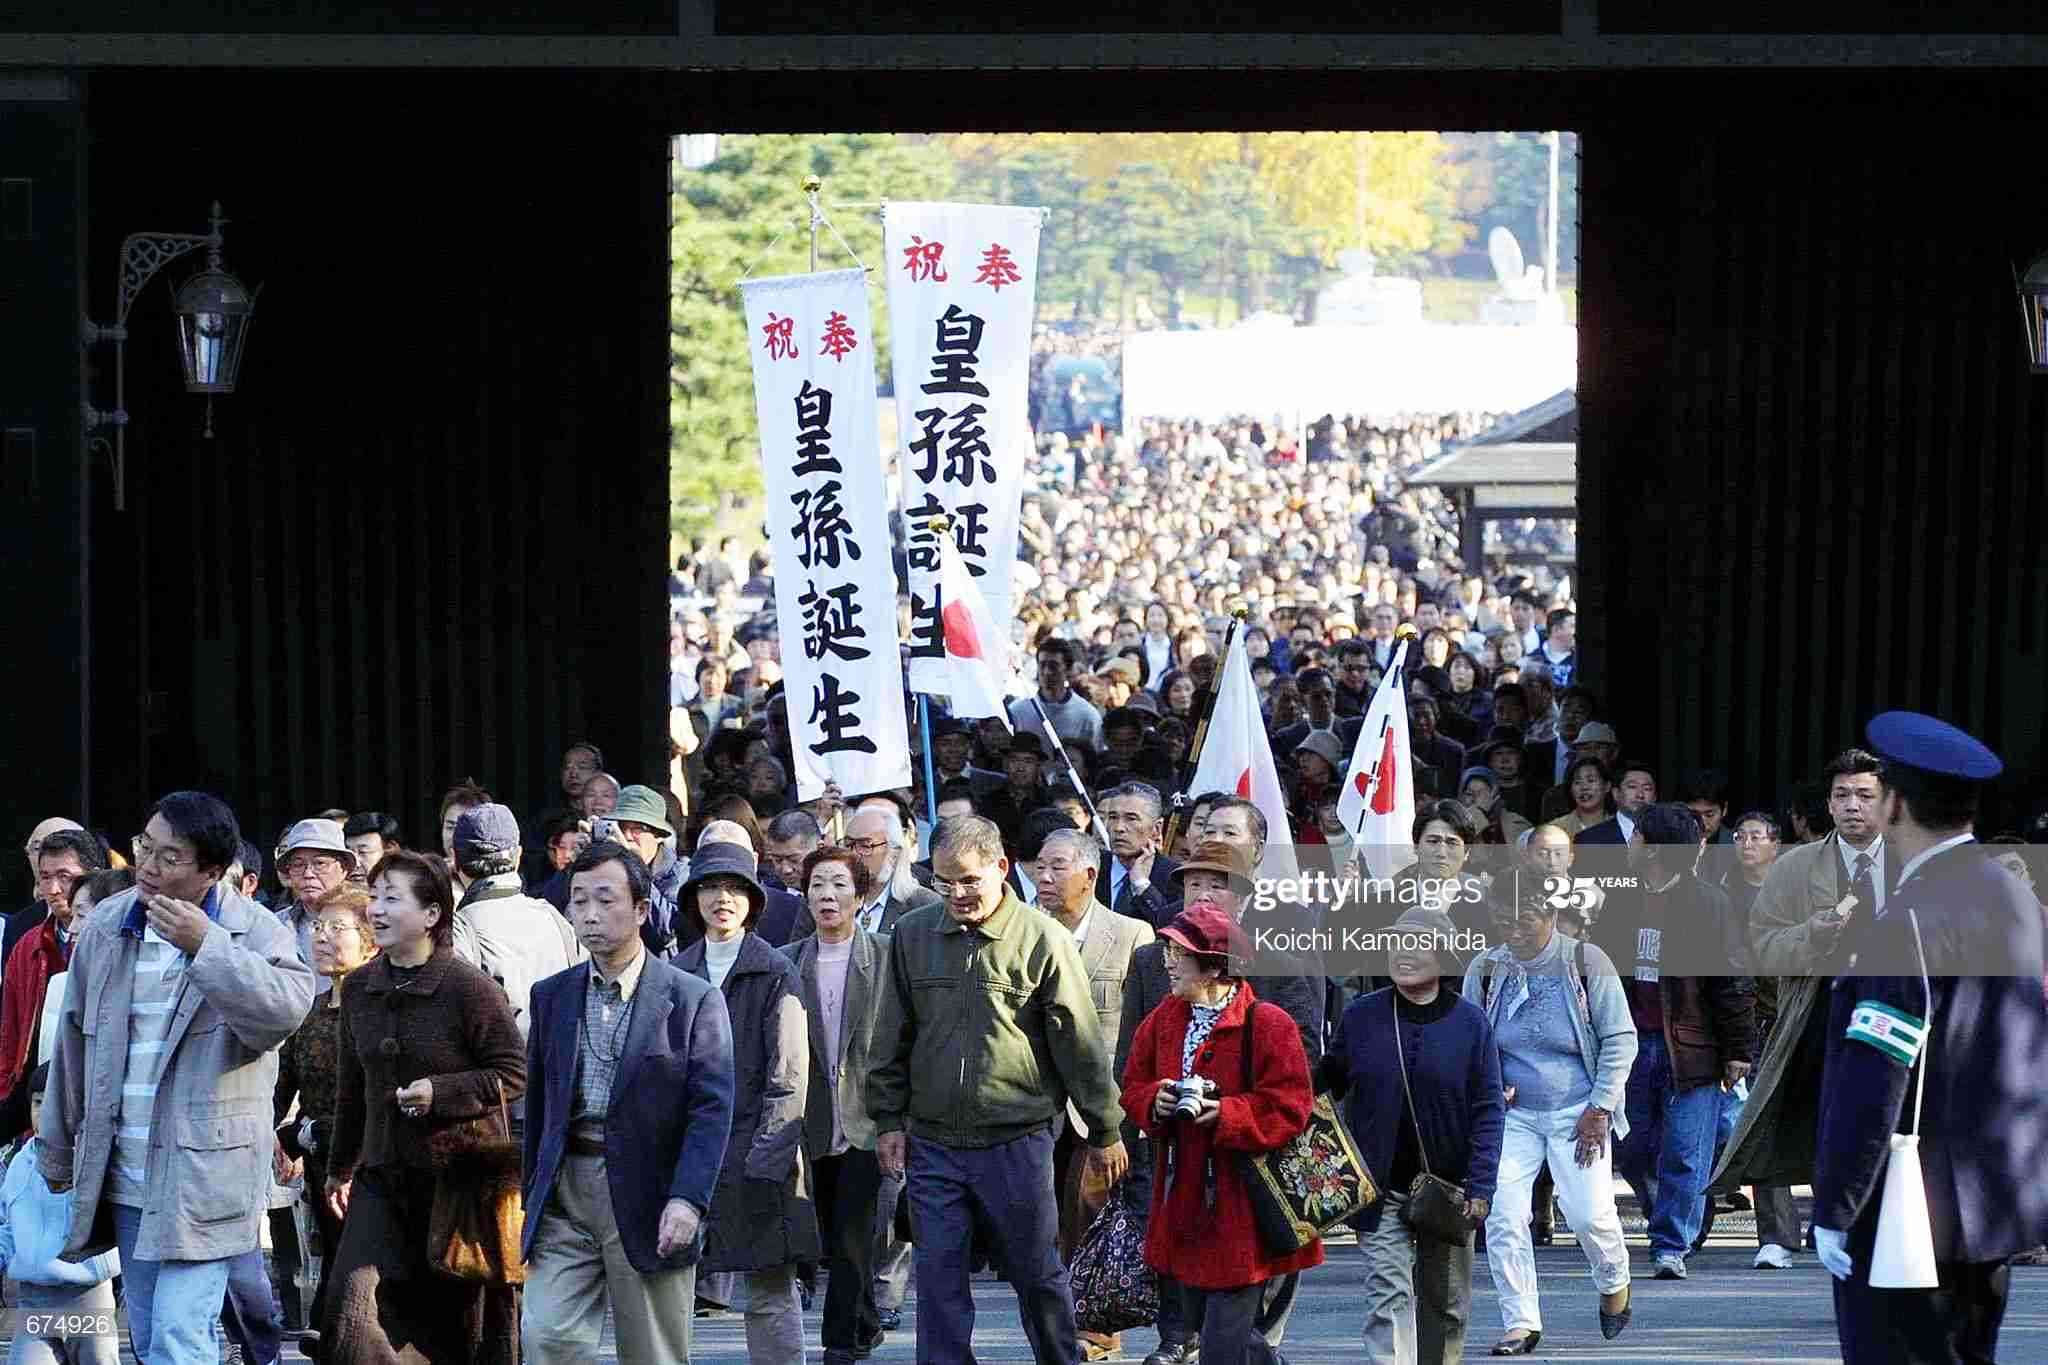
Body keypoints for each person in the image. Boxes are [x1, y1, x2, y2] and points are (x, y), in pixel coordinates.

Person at [39, 792, 315, 1365]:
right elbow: (72, 1043)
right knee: (147, 1333)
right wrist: (58, 1149)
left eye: (171, 857)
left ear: (213, 871)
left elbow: (284, 1011)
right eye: (146, 847)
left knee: (176, 1338)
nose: (149, 867)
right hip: (124, 1168)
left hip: (205, 1173)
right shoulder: (110, 924)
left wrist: (206, 947)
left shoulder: (253, 931)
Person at [1813, 712, 2048, 1363]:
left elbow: (1877, 1074)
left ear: (1895, 803)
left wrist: (1835, 1203)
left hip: (1908, 1213)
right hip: (1995, 1202)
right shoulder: (2016, 897)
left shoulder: (1910, 918)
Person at [867, 815, 1127, 1365]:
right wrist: (888, 1120)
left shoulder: (1042, 937)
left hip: (1018, 1140)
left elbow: (1080, 1045)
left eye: (969, 880)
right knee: (938, 1282)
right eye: (945, 882)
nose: (958, 894)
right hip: (934, 1143)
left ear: (1001, 869)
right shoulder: (912, 935)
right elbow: (890, 1033)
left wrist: (1105, 1128)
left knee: (1037, 1275)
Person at [522, 841, 738, 1365]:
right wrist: (528, 1192)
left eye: (605, 899)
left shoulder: (691, 998)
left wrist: (689, 1198)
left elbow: (711, 1110)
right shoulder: (551, 995)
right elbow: (536, 1104)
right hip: (566, 1190)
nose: (589, 915)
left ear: (642, 909)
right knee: (547, 1337)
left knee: (653, 1352)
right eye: (578, 901)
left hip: (651, 1191)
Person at [323, 849, 526, 1364]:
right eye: (373, 896)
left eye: (392, 898)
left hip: (458, 1185)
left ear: (433, 914)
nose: (377, 909)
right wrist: (339, 1168)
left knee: (458, 1328)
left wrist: (442, 1092)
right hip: (382, 1178)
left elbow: (513, 1073)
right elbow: (353, 1088)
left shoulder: (468, 989)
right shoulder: (361, 989)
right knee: (352, 1313)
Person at [1120, 904, 1322, 1365]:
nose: (1167, 961)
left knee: (1221, 1345)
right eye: (1168, 949)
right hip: (1185, 1201)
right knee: (1220, 1330)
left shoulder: (1268, 1023)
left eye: (1179, 953)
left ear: (1214, 966)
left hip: (1245, 1204)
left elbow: (1291, 1106)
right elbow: (1131, 1085)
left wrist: (1226, 1113)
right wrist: (1156, 1100)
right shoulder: (1163, 1021)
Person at [1714, 747, 1889, 1269]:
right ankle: (1775, 1234)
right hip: (1813, 1007)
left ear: (1887, 802)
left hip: (1889, 1012)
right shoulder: (1794, 867)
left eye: (1865, 795)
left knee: (1880, 1121)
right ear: (1828, 805)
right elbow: (1763, 946)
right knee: (1785, 1110)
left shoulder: (1909, 864)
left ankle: (1864, 1224)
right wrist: (1811, 934)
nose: (1853, 805)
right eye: (1842, 796)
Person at [1464, 876, 1638, 1354]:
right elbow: (1472, 1041)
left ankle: (1614, 1279)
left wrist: (1600, 1107)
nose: (1513, 929)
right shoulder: (1485, 967)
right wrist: (1490, 1086)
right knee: (1503, 1214)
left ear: (1550, 914)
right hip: (1513, 1115)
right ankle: (1520, 1320)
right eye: (1503, 919)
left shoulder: (1585, 961)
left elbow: (1621, 1039)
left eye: (1524, 919)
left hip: (1579, 1111)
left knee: (1588, 1214)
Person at [1323, 907, 1502, 1365]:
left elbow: (1488, 1110)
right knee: (1389, 1293)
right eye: (1398, 943)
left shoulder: (1470, 1023)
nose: (1404, 953)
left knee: (1445, 1308)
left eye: (1418, 944)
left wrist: (1481, 1187)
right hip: (1379, 1188)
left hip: (1449, 1191)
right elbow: (1323, 1083)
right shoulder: (1362, 1016)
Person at [675, 841, 819, 1365]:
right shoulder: (676, 970)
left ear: (753, 901)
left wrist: (767, 1157)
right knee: (671, 1289)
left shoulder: (775, 970)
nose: (723, 898)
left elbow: (790, 1073)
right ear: (695, 898)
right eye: (711, 887)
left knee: (769, 1289)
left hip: (760, 1149)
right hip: (691, 1150)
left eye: (735, 888)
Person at [1604, 803, 1757, 1281]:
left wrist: (1738, 1050)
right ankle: (1667, 1218)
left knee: (1687, 1151)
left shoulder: (1709, 902)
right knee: (1631, 1146)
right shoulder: (1621, 897)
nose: (1628, 844)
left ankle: (1671, 1243)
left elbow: (1732, 978)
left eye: (1636, 838)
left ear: (1654, 850)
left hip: (1694, 1045)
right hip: (1629, 1043)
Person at [784, 845, 892, 1365]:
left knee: (853, 1231)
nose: (828, 895)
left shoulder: (887, 956)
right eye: (818, 885)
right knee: (831, 1231)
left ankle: (839, 1343)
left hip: (866, 1116)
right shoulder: (787, 962)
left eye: (839, 885)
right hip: (810, 1116)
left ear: (860, 894)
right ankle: (865, 1322)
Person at [271, 882, 376, 1353]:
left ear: (370, 939)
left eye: (338, 927)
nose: (322, 936)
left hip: (367, 1168)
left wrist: (309, 1136)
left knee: (360, 1285)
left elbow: (375, 1098)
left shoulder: (375, 1006)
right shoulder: (314, 1007)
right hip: (321, 1169)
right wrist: (278, 1133)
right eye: (318, 926)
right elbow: (282, 1084)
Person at [0, 1063, 122, 1365]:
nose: (44, 1112)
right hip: (35, 1301)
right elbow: (7, 1226)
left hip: (89, 1298)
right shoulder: (18, 1165)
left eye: (54, 1102)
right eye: (37, 1103)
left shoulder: (96, 1162)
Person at [450, 804, 586, 1050]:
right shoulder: (553, 916)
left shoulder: (460, 928)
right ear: (517, 856)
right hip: (558, 1074)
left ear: (456, 860)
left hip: (499, 1080)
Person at [0, 828, 107, 1140]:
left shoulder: (113, 940)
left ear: (92, 876)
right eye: (45, 877)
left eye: (65, 876)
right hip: (33, 1087)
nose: (54, 888)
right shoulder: (27, 943)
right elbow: (10, 1031)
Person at [273, 818, 357, 991]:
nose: (308, 873)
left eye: (320, 863)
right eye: (298, 865)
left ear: (344, 869)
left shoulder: (367, 920)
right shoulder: (273, 926)